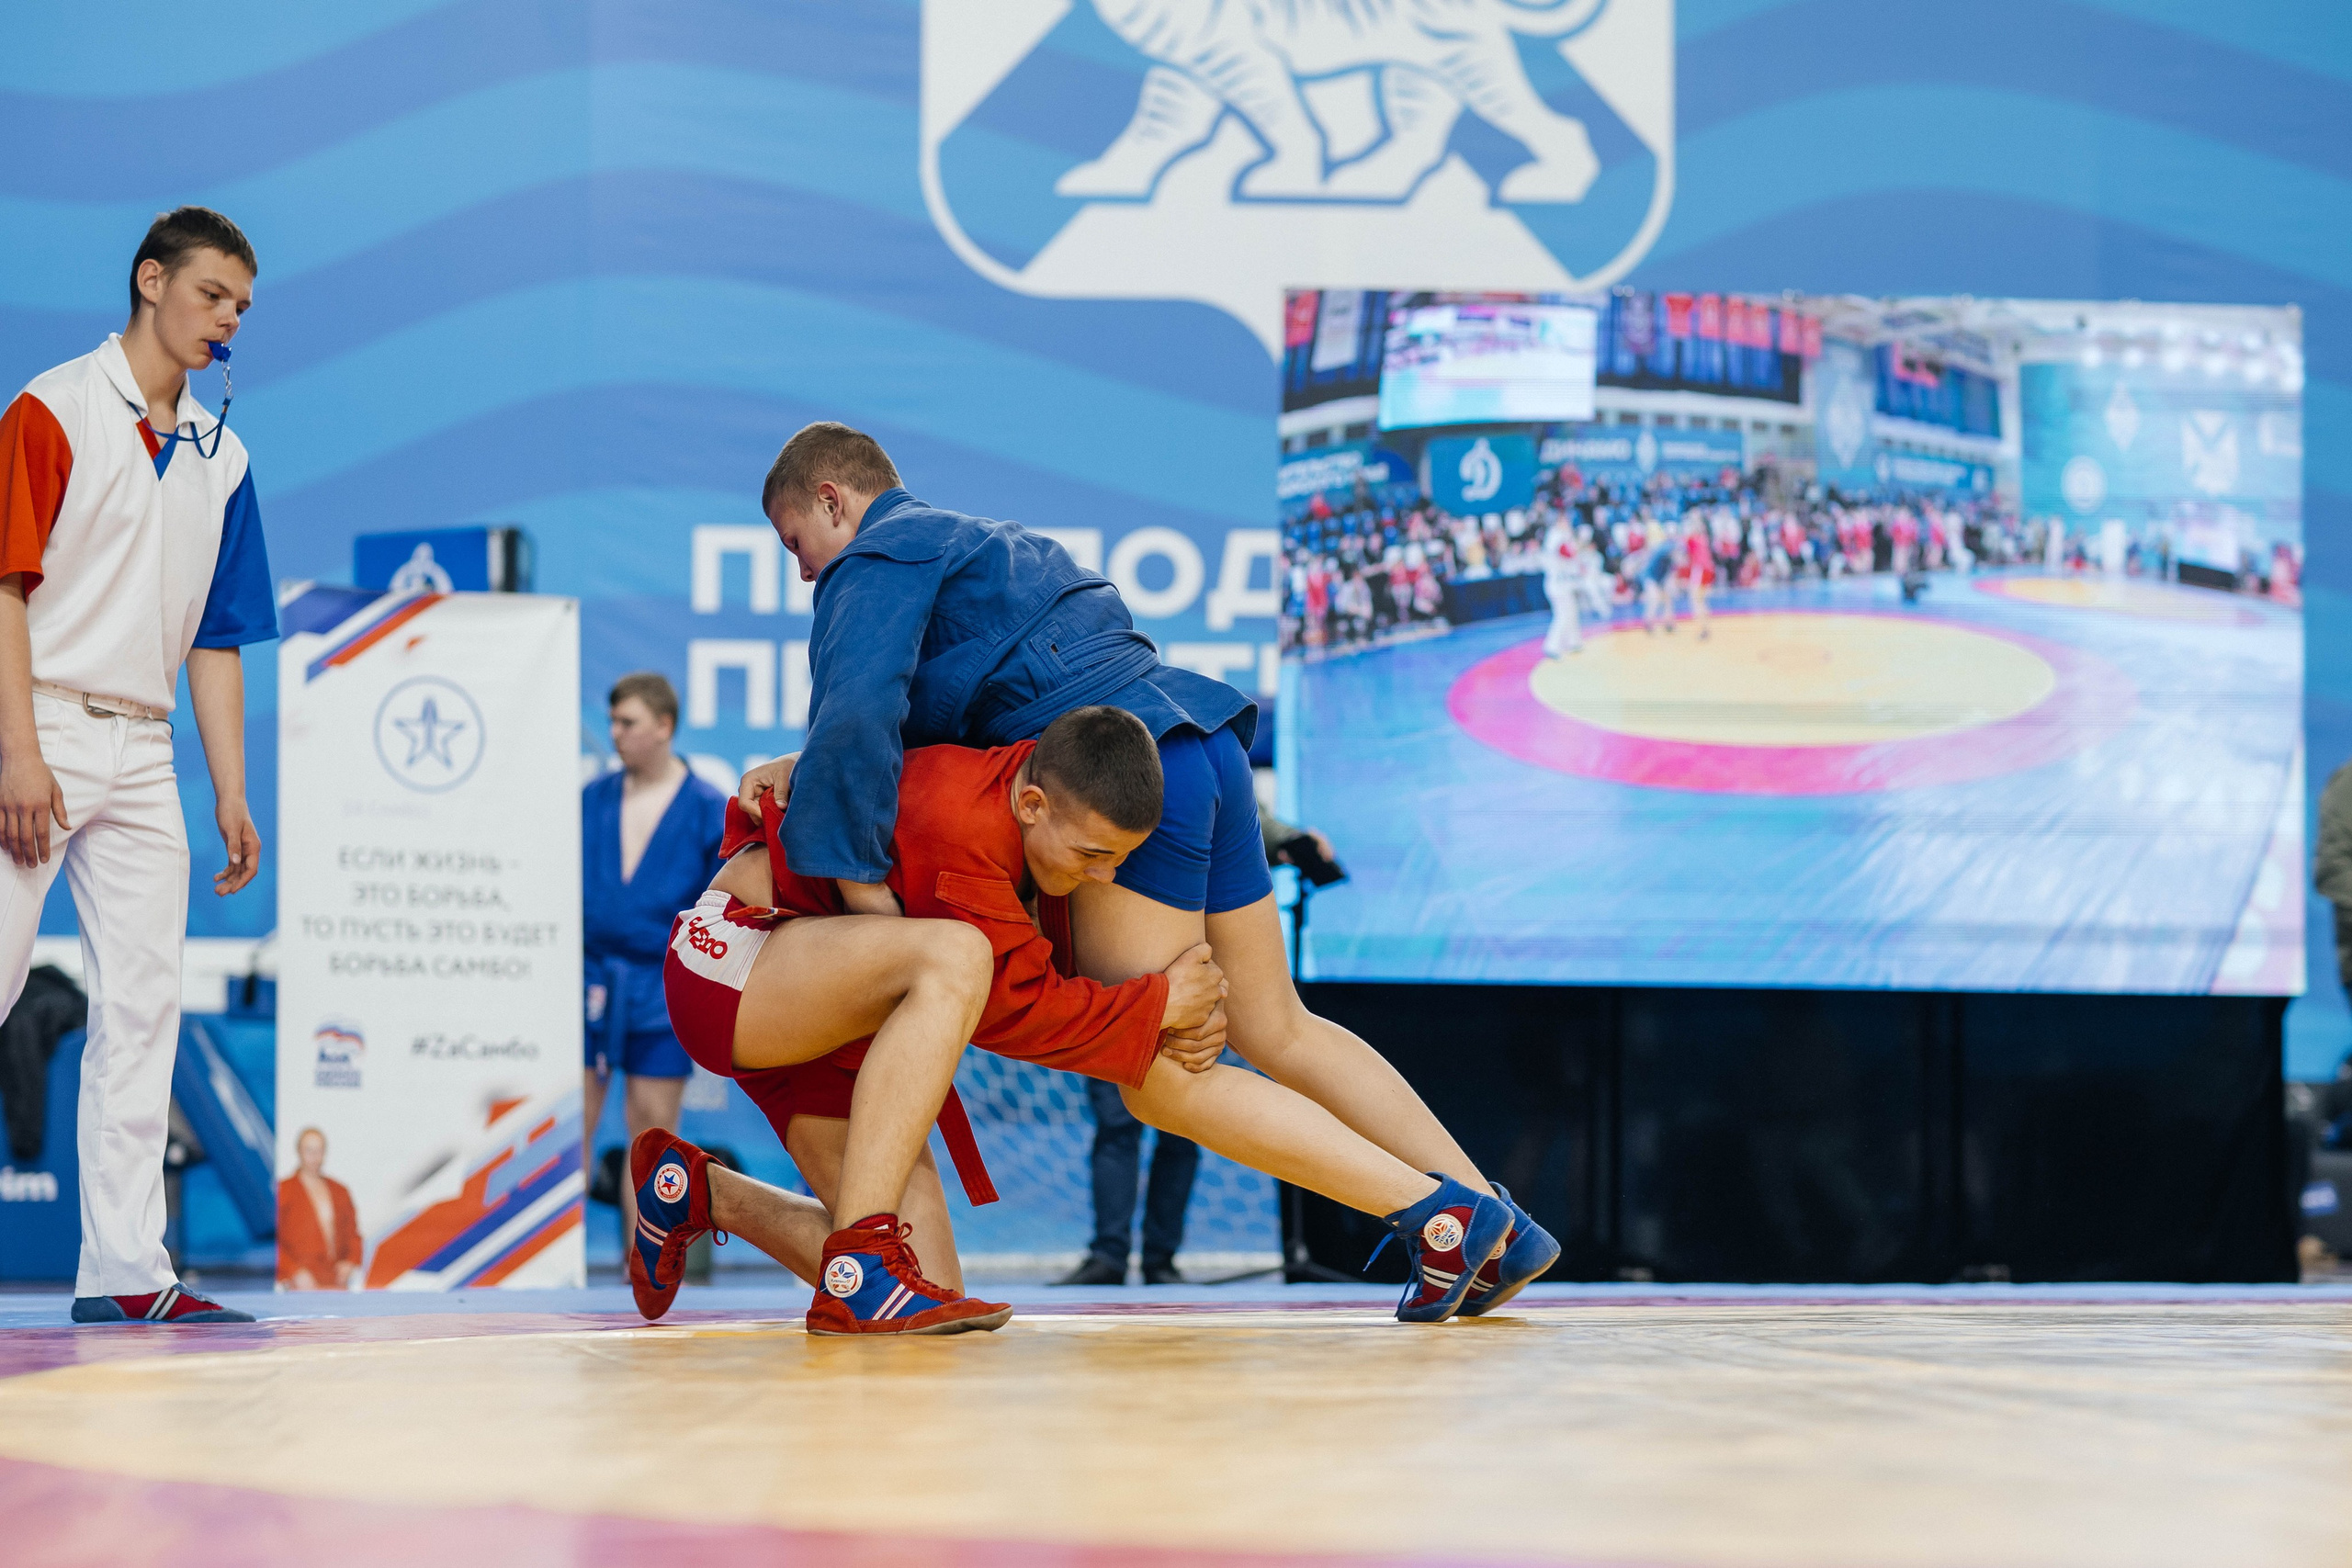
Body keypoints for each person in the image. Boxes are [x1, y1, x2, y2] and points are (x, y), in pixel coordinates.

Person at [740, 423, 1559, 1316]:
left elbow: (858, 712)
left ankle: (1442, 1223)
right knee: (1280, 1027)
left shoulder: (877, 551)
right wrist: (806, 757)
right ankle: (1496, 1222)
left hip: (1125, 783)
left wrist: (870, 908)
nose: (806, 571)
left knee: (1164, 1081)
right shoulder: (999, 543)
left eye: (796, 543)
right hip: (1199, 743)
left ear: (834, 500)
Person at [650, 706, 1521, 1325]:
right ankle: (860, 1253)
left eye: (1122, 861)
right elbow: (1007, 1014)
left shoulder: (1038, 789)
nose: (1105, 878)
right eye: (1095, 855)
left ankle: (700, 1191)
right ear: (1033, 801)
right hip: (739, 962)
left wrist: (1178, 999)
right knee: (956, 961)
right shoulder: (962, 818)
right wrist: (1159, 1002)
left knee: (930, 1285)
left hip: (836, 1009)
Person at [0, 207, 276, 1325]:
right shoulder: (50, 409)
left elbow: (216, 634)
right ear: (151, 281)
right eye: (213, 295)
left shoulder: (226, 454)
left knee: (144, 1006)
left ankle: (125, 1270)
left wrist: (233, 791)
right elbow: (5, 590)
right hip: (42, 725)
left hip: (145, 749)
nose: (229, 321)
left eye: (244, 307)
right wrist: (16, 749)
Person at [581, 671, 728, 1253]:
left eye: (628, 723)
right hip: (589, 978)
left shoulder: (707, 809)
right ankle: (547, 1267)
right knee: (570, 1131)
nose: (615, 734)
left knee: (653, 1139)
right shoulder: (592, 800)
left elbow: (720, 908)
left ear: (664, 727)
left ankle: (645, 1267)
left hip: (665, 985)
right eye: (613, 722)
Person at [276, 1127, 360, 1291]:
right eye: (309, 1150)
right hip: (300, 1283)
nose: (314, 1156)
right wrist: (293, 1271)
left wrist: (350, 1262)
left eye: (319, 1150)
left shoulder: (340, 1191)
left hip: (335, 1282)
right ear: (299, 1151)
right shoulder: (283, 1191)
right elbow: (273, 1243)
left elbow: (353, 1235)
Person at [1540, 512, 1584, 658]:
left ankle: (1573, 642)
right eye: (1564, 520)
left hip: (1565, 582)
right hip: (1557, 583)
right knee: (1563, 615)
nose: (1567, 522)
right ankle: (1552, 646)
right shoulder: (1556, 537)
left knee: (1572, 612)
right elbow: (1568, 553)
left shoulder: (1562, 536)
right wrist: (1577, 541)